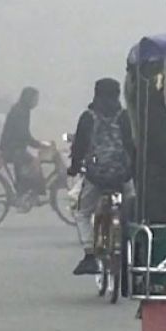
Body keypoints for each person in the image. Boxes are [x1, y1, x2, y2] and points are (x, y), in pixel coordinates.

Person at [67, 77, 136, 275]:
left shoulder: (88, 117)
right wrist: (133, 169)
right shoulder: (125, 117)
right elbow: (132, 144)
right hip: (122, 174)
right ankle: (132, 245)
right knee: (132, 208)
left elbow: (79, 147)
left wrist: (74, 167)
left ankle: (89, 254)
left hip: (96, 175)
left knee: (82, 212)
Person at [0, 86, 49, 205]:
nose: (36, 102)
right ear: (28, 99)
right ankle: (24, 195)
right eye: (35, 99)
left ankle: (28, 193)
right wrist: (38, 144)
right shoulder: (20, 111)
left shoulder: (22, 109)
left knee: (29, 164)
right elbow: (23, 134)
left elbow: (24, 134)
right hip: (11, 148)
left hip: (14, 146)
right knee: (33, 164)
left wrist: (36, 144)